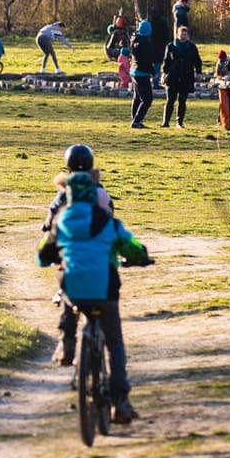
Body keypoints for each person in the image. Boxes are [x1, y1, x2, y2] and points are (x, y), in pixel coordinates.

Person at [37, 168, 152, 425]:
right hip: (105, 289)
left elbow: (42, 254)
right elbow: (130, 247)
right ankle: (120, 402)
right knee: (114, 344)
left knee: (68, 292)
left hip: (75, 289)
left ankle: (66, 343)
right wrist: (142, 257)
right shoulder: (109, 223)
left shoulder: (61, 221)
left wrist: (49, 257)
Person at [41, 144, 115, 366]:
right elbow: (113, 222)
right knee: (113, 334)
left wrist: (47, 233)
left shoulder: (63, 194)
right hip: (101, 265)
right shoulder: (101, 193)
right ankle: (117, 390)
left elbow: (50, 223)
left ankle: (66, 347)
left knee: (68, 289)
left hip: (72, 258)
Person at [160, 26, 202, 129]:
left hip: (186, 76)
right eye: (181, 34)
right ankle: (166, 122)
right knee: (170, 100)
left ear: (187, 35)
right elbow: (166, 61)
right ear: (177, 34)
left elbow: (197, 61)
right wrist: (165, 73)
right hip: (173, 77)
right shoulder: (171, 46)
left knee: (182, 101)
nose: (183, 36)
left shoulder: (192, 47)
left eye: (185, 34)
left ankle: (179, 122)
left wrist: (199, 72)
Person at [128, 12, 159, 128]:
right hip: (142, 73)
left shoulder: (134, 39)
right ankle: (136, 121)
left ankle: (134, 118)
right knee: (147, 99)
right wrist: (153, 72)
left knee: (137, 97)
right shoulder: (145, 43)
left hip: (134, 71)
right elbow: (147, 60)